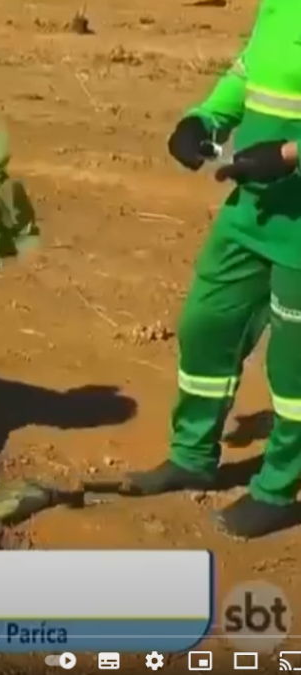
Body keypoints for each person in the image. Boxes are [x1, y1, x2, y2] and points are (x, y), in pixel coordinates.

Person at [125, 0, 301, 538]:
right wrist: (204, 117)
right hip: (249, 211)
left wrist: (291, 154)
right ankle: (192, 454)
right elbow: (249, 68)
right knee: (207, 325)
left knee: (293, 371)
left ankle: (277, 489)